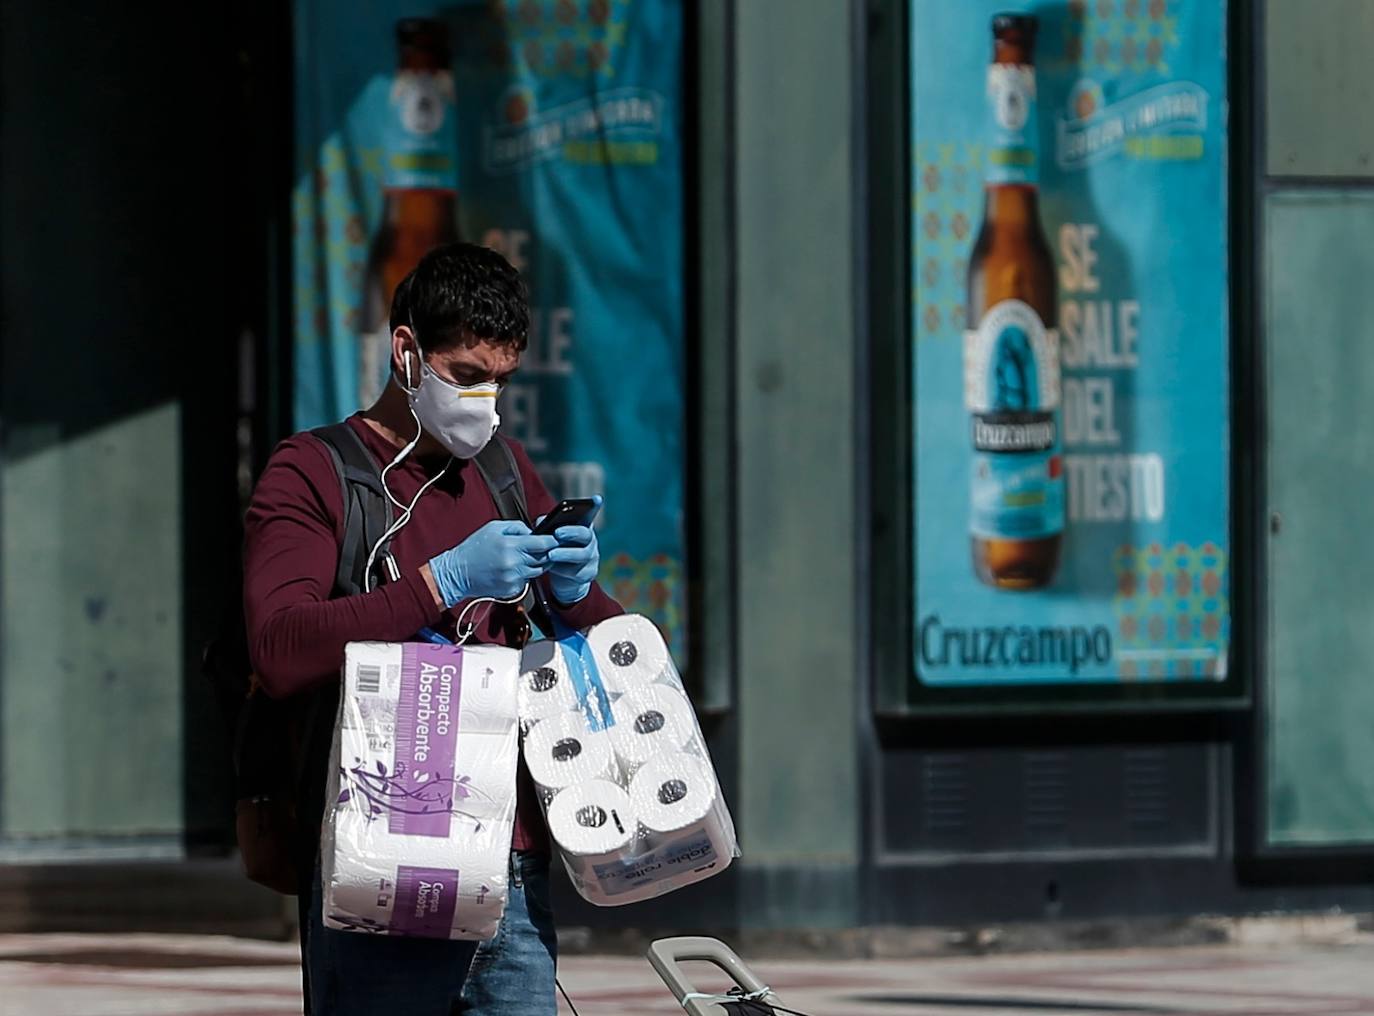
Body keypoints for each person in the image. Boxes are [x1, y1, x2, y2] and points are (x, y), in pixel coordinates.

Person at [243, 242, 623, 1015]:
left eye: (503, 381)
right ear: (408, 353)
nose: (486, 401)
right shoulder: (316, 472)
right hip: (381, 858)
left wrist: (578, 596)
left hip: (509, 869)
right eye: (467, 375)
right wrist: (437, 582)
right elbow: (280, 648)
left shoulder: (504, 472)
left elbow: (612, 656)